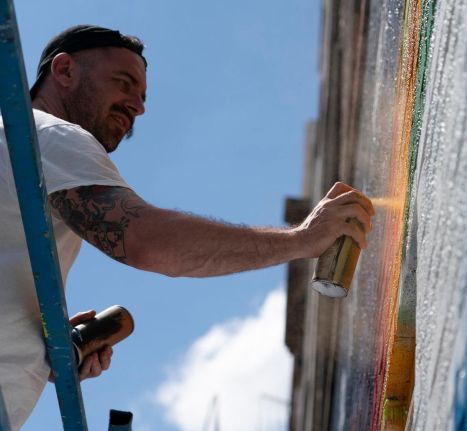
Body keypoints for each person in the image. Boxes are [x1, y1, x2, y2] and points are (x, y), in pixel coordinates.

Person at [0, 25, 374, 429]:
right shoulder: (52, 135)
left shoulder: (24, 144)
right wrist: (302, 239)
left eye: (142, 97)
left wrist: (48, 351)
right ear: (65, 70)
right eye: (122, 83)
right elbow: (145, 241)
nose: (137, 107)